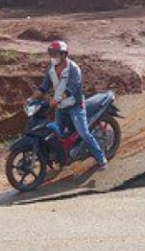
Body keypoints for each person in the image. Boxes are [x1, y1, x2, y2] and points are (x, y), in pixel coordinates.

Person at [27, 40, 108, 170]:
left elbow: (71, 90)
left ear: (64, 55)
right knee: (57, 135)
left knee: (83, 133)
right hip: (61, 108)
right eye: (51, 53)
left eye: (55, 54)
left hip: (75, 107)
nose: (52, 57)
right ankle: (65, 159)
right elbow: (43, 87)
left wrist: (56, 99)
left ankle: (101, 158)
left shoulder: (74, 69)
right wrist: (31, 98)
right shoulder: (51, 70)